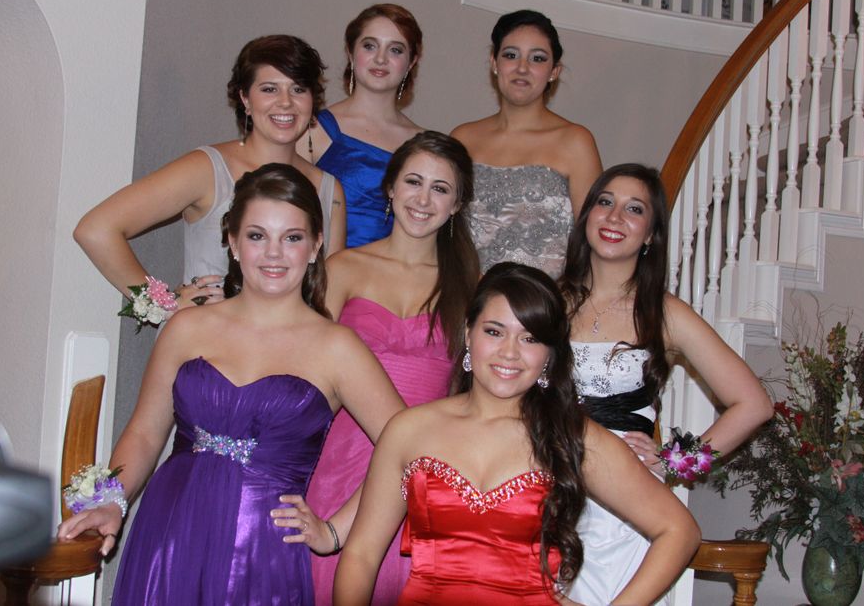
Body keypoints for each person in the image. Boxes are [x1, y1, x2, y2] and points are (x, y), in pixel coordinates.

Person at [58, 164, 404, 605]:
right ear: (233, 242)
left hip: (263, 552)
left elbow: (410, 452)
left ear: (316, 245)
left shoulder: (338, 348)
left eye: (292, 238)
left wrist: (335, 531)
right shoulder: (187, 328)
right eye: (257, 236)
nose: (274, 253)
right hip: (170, 534)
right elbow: (144, 432)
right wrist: (112, 502)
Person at [335, 263, 701, 605]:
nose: (509, 353)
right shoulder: (409, 430)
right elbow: (361, 554)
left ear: (550, 354)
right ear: (468, 333)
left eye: (530, 338)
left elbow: (678, 530)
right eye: (494, 332)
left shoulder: (571, 436)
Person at [558, 164, 774, 604]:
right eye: (605, 202)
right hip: (549, 488)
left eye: (634, 209)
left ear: (651, 235)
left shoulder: (665, 313)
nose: (615, 217)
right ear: (587, 217)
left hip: (625, 512)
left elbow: (754, 405)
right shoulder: (548, 301)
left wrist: (675, 464)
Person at [306, 131, 480, 604]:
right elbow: (305, 371)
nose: (423, 200)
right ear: (390, 187)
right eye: (413, 182)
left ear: (457, 204)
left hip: (430, 468)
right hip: (338, 462)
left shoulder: (472, 286)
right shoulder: (343, 268)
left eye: (440, 189)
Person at [75, 35, 346, 317]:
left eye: (298, 89)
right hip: (204, 339)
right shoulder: (206, 168)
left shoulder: (329, 189)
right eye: (269, 89)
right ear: (245, 98)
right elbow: (96, 229)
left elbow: (328, 294)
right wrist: (161, 305)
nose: (285, 102)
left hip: (288, 343)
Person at [451, 10, 602, 279]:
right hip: (468, 296)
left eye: (537, 58)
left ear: (554, 71)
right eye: (511, 55)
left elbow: (592, 243)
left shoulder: (576, 142)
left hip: (543, 299)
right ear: (494, 63)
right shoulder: (463, 138)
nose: (522, 68)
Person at [299, 3, 423, 248]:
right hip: (323, 267)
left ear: (411, 62)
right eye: (369, 46)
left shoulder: (423, 145)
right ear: (350, 52)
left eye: (395, 50)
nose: (381, 59)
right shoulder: (313, 129)